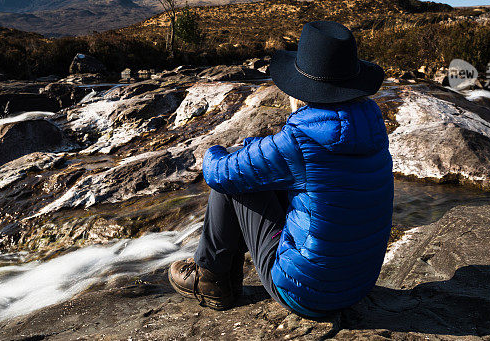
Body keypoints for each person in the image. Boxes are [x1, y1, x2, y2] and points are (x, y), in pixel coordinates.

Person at [168, 20, 393, 317]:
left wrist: (213, 149)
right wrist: (256, 149)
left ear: (303, 89)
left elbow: (218, 173)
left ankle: (210, 276)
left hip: (305, 293)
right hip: (358, 283)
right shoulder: (372, 124)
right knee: (268, 173)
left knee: (233, 180)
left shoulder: (300, 138)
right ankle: (215, 273)